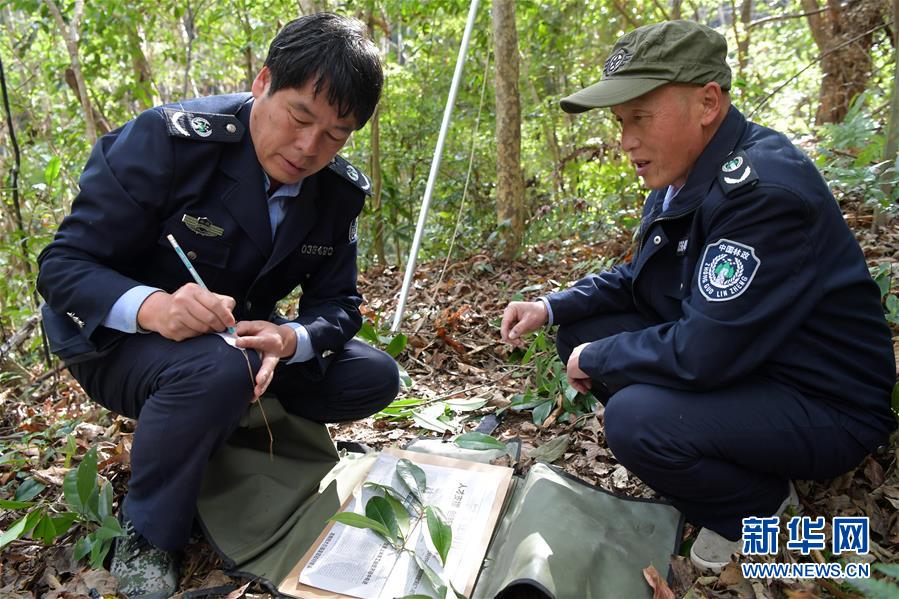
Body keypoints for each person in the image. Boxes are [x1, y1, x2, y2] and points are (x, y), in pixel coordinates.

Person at [500, 20, 896, 571]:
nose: (626, 140)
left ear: (708, 102)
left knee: (636, 419)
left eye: (640, 117)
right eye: (620, 122)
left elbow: (703, 350)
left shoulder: (761, 193)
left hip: (824, 401)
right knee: (580, 331)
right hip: (753, 357)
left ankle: (759, 509)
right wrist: (552, 305)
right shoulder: (682, 177)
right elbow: (642, 278)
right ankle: (730, 459)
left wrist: (601, 358)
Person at [37, 13, 399, 597]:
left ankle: (215, 421)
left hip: (235, 340)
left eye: (335, 134)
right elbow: (63, 266)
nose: (309, 147)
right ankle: (147, 533)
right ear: (262, 83)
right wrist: (152, 306)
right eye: (299, 117)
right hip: (119, 339)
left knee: (372, 375)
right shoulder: (170, 141)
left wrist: (290, 340)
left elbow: (339, 303)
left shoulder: (336, 192)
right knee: (214, 369)